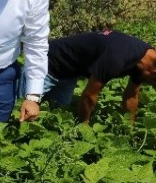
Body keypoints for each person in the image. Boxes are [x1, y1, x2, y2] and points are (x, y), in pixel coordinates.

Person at [19, 29, 156, 122]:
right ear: (153, 72)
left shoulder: (145, 63)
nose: (151, 85)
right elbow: (89, 96)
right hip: (45, 65)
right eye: (153, 83)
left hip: (69, 74)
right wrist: (84, 126)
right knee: (22, 112)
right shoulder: (117, 58)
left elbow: (131, 96)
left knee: (58, 116)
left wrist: (129, 127)